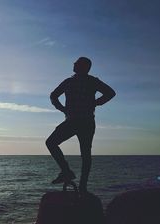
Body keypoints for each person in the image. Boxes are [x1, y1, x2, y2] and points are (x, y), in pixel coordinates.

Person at [46, 57, 116, 193]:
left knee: (83, 153)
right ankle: (70, 175)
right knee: (54, 144)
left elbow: (110, 93)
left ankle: (76, 181)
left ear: (83, 67)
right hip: (79, 121)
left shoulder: (86, 81)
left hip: (80, 121)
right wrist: (63, 109)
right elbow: (53, 96)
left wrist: (96, 102)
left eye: (76, 63)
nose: (73, 64)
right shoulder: (73, 81)